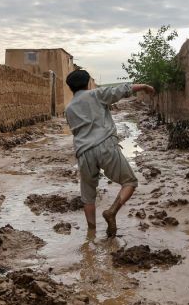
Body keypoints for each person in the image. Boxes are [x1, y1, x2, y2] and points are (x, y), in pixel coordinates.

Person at [64, 69, 155, 237]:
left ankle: (91, 234)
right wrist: (144, 86)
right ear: (88, 84)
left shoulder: (68, 108)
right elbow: (121, 90)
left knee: (88, 196)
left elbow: (75, 131)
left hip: (83, 152)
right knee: (130, 182)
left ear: (70, 88)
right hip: (105, 146)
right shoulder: (96, 94)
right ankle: (112, 211)